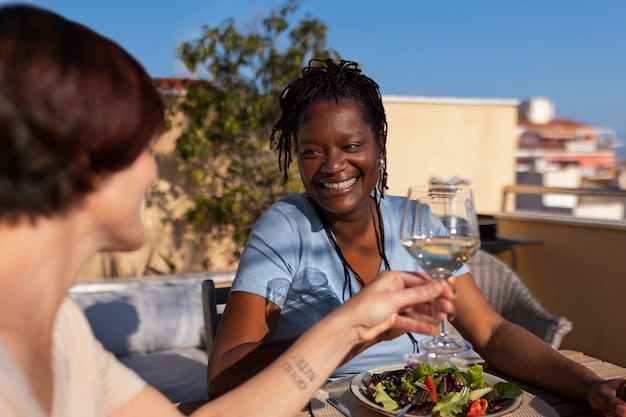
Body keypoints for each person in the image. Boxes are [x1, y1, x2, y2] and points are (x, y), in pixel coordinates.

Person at [0, 5, 457, 417]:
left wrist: (351, 327)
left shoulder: (63, 331)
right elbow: (222, 383)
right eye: (143, 147)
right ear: (84, 162)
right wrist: (349, 329)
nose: (152, 173)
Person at [207, 58, 626, 417]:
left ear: (380, 145)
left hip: (427, 397)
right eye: (311, 151)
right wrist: (352, 335)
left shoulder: (415, 220)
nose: (333, 166)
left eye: (351, 145)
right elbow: (223, 376)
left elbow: (492, 334)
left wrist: (588, 385)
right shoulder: (284, 228)